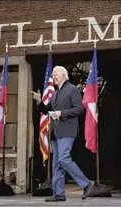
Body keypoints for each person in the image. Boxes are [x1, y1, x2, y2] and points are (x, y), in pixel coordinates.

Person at [32, 66, 94, 202]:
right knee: (57, 165)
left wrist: (62, 113)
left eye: (55, 75)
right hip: (56, 132)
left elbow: (79, 109)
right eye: (53, 75)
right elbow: (47, 110)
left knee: (64, 159)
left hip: (67, 130)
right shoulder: (55, 93)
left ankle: (86, 183)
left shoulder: (72, 89)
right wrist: (39, 101)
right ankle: (59, 193)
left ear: (64, 75)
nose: (53, 77)